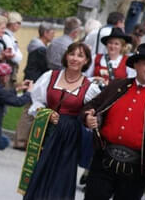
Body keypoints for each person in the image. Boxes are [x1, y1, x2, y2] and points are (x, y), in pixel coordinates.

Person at [22, 42, 100, 200]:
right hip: (46, 130)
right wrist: (44, 112)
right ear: (66, 56)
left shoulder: (89, 86)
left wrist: (91, 119)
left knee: (61, 177)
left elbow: (94, 112)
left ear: (86, 61)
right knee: (39, 170)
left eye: (80, 56)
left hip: (69, 136)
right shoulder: (50, 76)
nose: (74, 58)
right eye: (72, 54)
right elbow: (36, 101)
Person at [82, 43, 145, 200]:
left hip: (137, 168)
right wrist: (88, 117)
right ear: (136, 65)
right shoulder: (118, 85)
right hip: (104, 160)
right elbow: (91, 106)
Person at [14, 22, 55, 150]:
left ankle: (21, 139)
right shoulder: (41, 49)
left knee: (28, 110)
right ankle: (21, 140)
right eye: (52, 32)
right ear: (45, 33)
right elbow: (45, 67)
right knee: (29, 111)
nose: (53, 34)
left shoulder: (37, 46)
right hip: (35, 81)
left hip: (31, 78)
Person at [2, 11, 23, 86]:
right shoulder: (6, 36)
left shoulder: (11, 36)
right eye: (18, 23)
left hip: (12, 70)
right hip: (8, 71)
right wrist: (18, 56)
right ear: (12, 23)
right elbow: (14, 57)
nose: (20, 25)